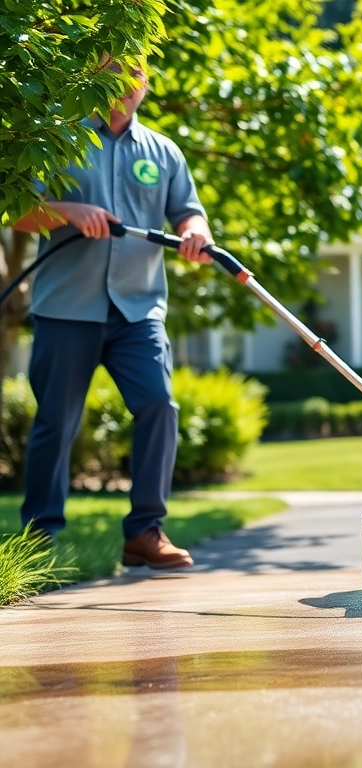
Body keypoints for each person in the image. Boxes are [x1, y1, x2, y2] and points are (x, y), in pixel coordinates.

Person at [11, 57, 214, 569]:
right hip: (66, 308)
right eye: (112, 73)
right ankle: (39, 538)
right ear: (96, 78)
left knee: (159, 406)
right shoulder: (58, 137)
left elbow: (188, 209)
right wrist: (67, 213)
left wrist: (196, 231)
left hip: (138, 309)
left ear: (145, 84)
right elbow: (18, 209)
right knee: (56, 422)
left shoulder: (163, 151)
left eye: (134, 75)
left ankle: (145, 531)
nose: (125, 85)